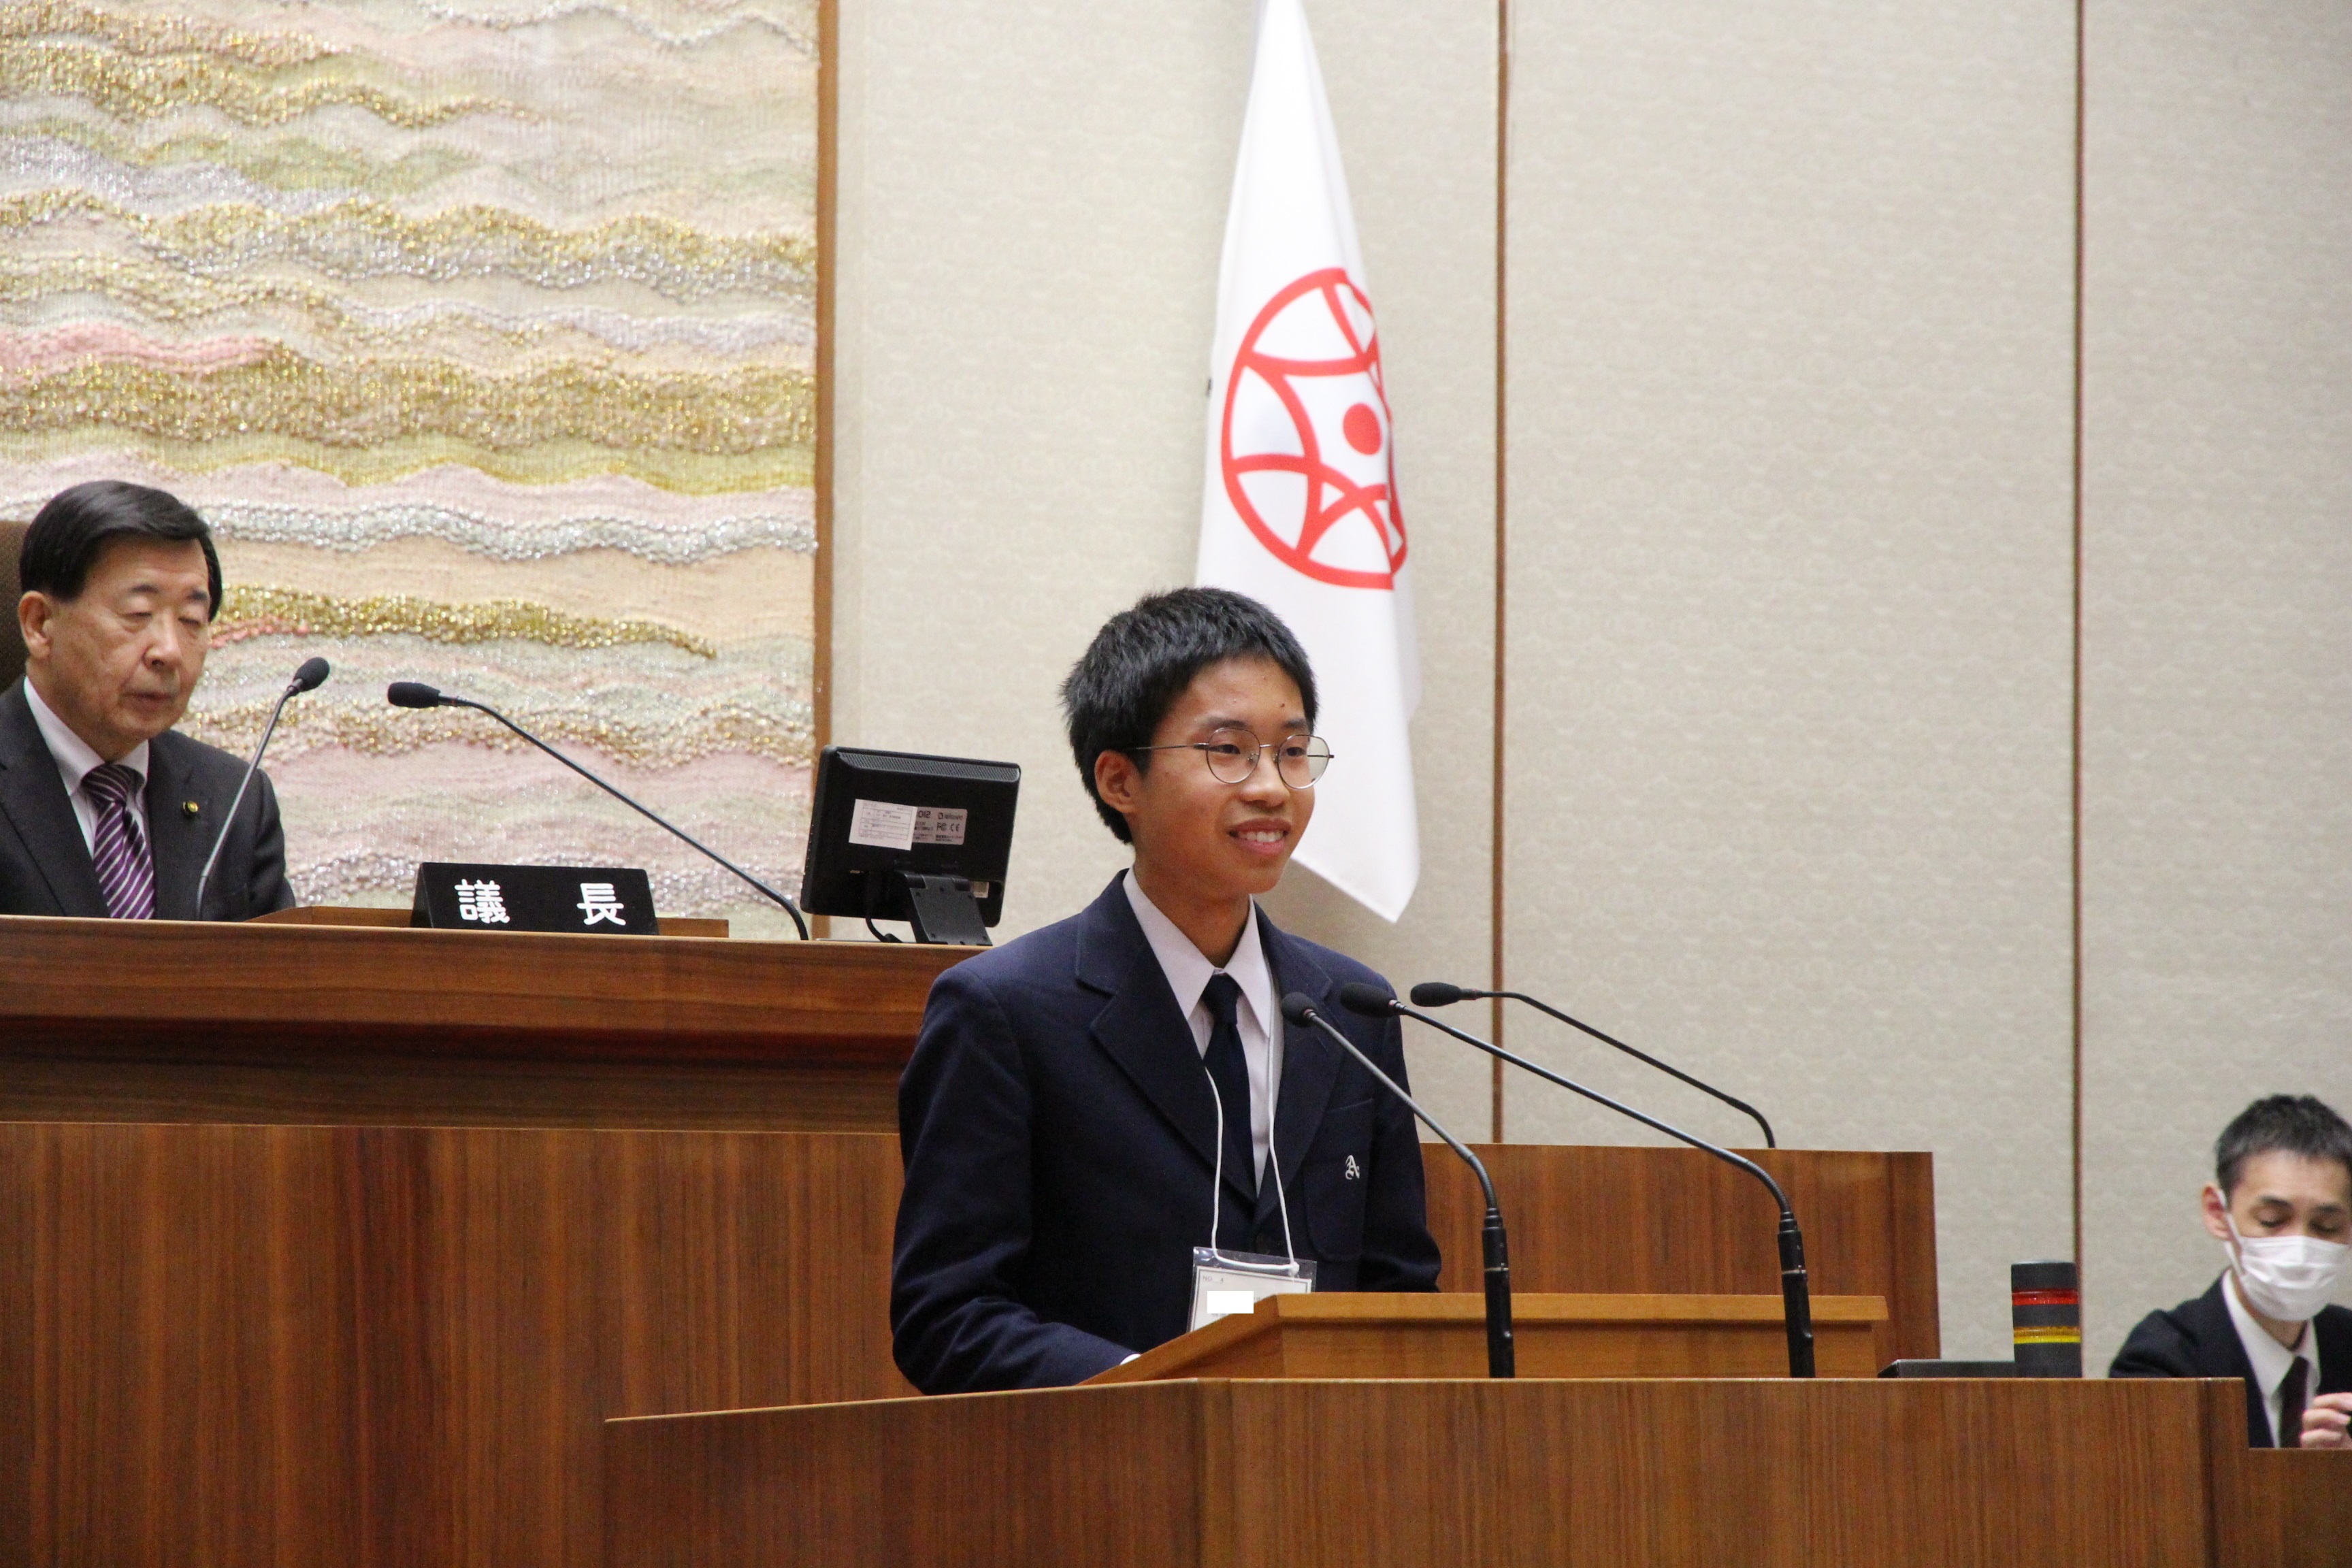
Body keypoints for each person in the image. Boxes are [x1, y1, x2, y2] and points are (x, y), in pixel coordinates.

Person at [890, 587, 1440, 1394]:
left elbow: (1399, 1292)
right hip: (1106, 1479)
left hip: (1317, 1482)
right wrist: (1151, 1388)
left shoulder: (1352, 1007)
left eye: (1292, 751)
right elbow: (947, 1314)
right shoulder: (1004, 1013)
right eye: (1228, 751)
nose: (1271, 788)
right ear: (1121, 781)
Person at [0, 480, 293, 921]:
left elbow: (276, 984)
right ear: (40, 624)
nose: (169, 651)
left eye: (191, 620)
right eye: (138, 615)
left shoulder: (235, 799)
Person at [2110, 1094, 2352, 1448]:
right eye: (2272, 1220)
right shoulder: (2162, 1362)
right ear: (2217, 1212)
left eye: (2326, 1225)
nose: (2299, 1249)